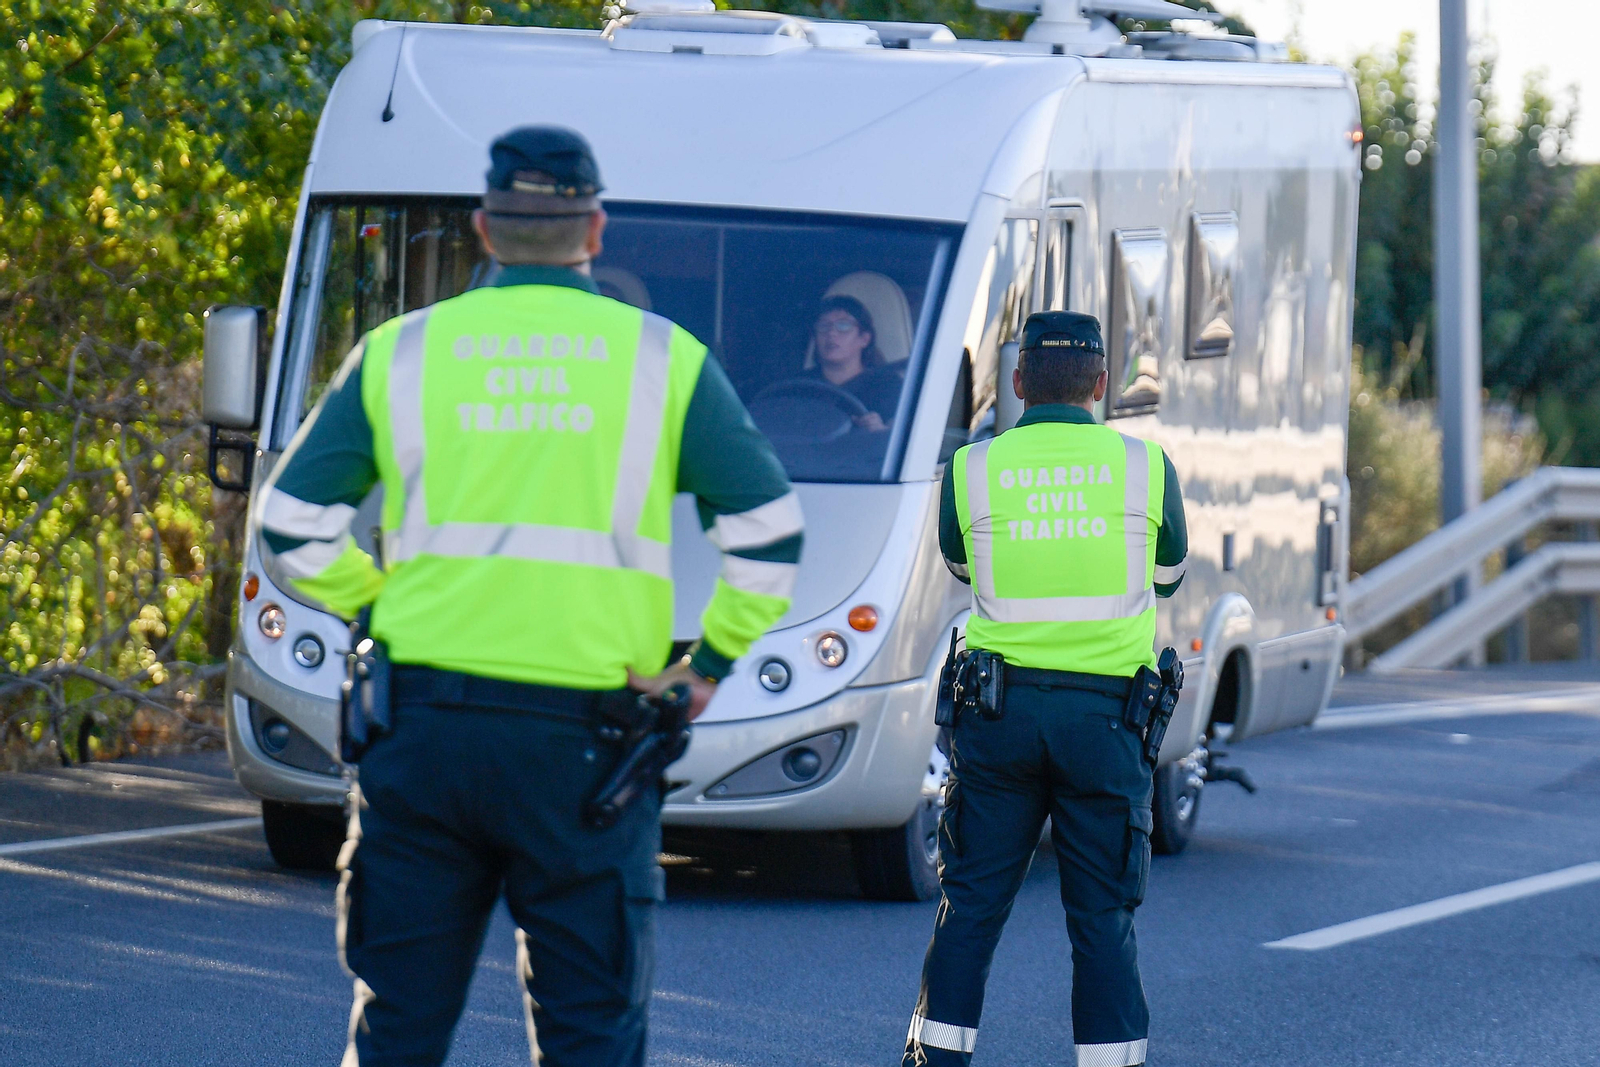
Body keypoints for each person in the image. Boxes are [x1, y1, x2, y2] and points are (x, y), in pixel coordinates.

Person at [253, 126, 804, 1067]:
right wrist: (705, 666)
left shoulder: (402, 353)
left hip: (423, 734)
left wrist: (379, 605)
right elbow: (768, 531)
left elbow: (290, 522)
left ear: (483, 229)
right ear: (595, 228)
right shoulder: (663, 360)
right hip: (587, 753)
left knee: (397, 1027)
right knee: (590, 1034)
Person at [901, 311, 1188, 1067]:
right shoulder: (1146, 466)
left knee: (970, 909)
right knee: (1101, 920)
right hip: (1107, 723)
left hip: (997, 716)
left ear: (1018, 382)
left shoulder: (971, 467)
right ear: (1101, 385)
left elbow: (964, 570)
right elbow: (1168, 574)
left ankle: (937, 1060)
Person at [808, 294, 903, 431]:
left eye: (843, 325)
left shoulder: (889, 386)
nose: (831, 333)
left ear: (864, 339)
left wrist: (880, 431)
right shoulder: (795, 387)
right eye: (824, 326)